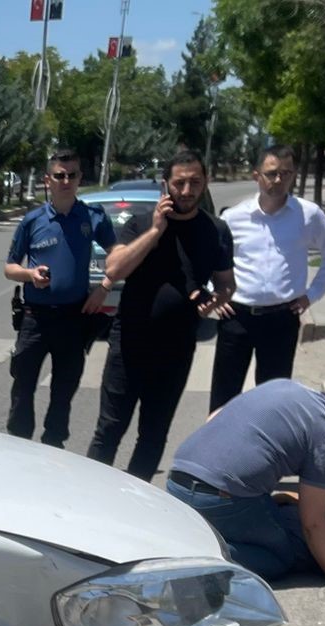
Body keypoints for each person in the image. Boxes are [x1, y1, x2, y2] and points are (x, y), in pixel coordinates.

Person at [86, 150, 235, 481]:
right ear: (166, 185)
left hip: (176, 350)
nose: (186, 190)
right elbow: (114, 268)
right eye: (179, 183)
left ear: (205, 183)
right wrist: (155, 232)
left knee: (153, 436)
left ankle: (135, 502)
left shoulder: (217, 230)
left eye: (194, 182)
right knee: (109, 429)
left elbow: (227, 285)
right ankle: (88, 495)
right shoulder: (141, 223)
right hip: (129, 344)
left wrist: (217, 301)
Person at [165, 380, 325, 580]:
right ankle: (195, 556)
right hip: (219, 497)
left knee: (265, 510)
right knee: (281, 557)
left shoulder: (285, 387)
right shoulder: (322, 438)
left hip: (177, 479)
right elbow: (314, 523)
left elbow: (214, 416)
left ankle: (194, 536)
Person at [210, 146, 325, 410]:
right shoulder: (233, 217)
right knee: (224, 397)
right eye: (271, 173)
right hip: (236, 317)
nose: (278, 180)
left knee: (273, 400)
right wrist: (214, 292)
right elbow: (211, 259)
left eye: (285, 173)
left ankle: (266, 450)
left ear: (293, 175)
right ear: (256, 176)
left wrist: (312, 294)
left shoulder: (308, 215)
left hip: (281, 319)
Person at [2, 149, 117, 448]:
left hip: (72, 319)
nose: (66, 181)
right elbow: (9, 268)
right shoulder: (32, 220)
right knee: (23, 387)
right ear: (47, 181)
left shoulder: (92, 217)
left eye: (72, 175)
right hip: (35, 319)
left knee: (64, 390)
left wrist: (104, 286)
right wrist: (30, 275)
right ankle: (18, 445)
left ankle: (54, 446)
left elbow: (119, 255)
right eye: (59, 175)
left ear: (80, 178)